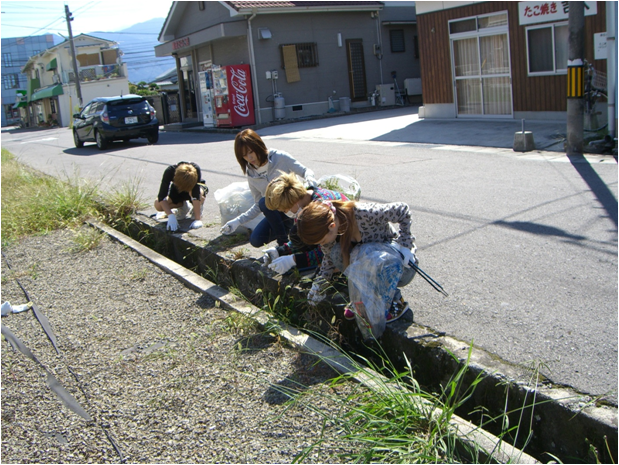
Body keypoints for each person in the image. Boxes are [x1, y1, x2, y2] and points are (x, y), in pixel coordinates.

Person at [296, 200, 417, 323]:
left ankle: (395, 301)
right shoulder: (333, 233)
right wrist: (319, 285)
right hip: (372, 267)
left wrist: (405, 245)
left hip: (400, 266)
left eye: (322, 241)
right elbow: (328, 259)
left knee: (364, 251)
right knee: (336, 253)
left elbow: (402, 209)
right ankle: (363, 299)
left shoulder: (364, 214)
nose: (322, 244)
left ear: (332, 226)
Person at [220, 129, 317, 247]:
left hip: (295, 207)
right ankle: (284, 239)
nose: (250, 157)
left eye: (251, 151)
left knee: (304, 242)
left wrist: (310, 183)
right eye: (244, 155)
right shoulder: (251, 174)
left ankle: (285, 242)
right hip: (279, 214)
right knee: (256, 239)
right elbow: (258, 204)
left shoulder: (280, 157)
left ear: (258, 145)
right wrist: (238, 221)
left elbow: (306, 171)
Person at [262, 172, 349, 274]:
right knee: (296, 233)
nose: (286, 213)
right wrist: (280, 251)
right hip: (332, 238)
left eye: (285, 210)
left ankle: (336, 269)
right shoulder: (305, 203)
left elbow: (326, 248)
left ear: (293, 201)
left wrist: (294, 260)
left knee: (330, 253)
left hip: (347, 242)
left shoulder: (320, 207)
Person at [154, 161, 208, 232]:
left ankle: (197, 209)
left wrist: (198, 219)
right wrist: (170, 215)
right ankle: (183, 207)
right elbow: (162, 196)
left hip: (192, 189)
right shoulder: (170, 171)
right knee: (158, 204)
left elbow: (195, 194)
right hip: (178, 189)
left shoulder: (195, 169)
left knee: (200, 194)